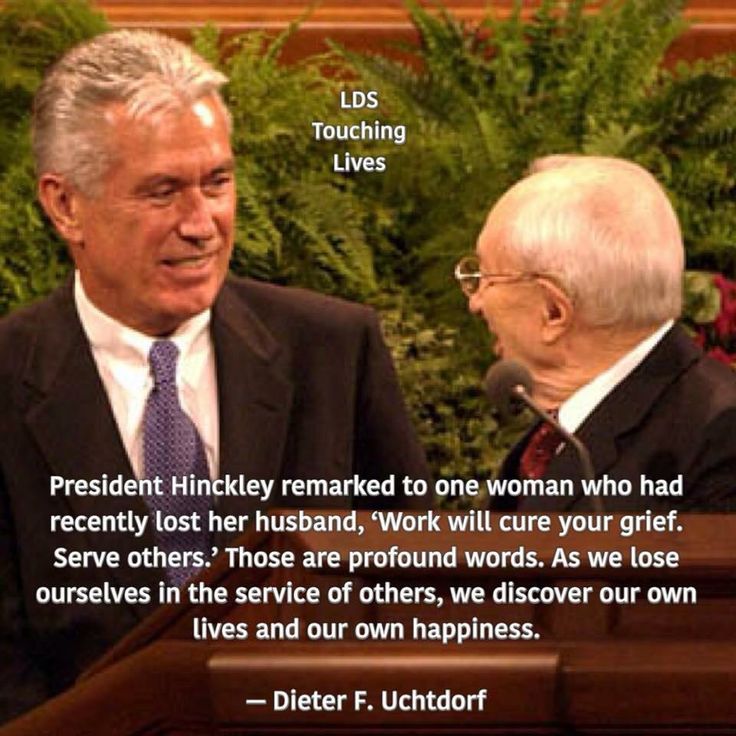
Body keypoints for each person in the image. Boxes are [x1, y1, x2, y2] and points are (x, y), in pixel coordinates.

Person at [0, 29, 429, 723]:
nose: (202, 224)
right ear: (64, 205)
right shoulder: (9, 377)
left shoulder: (333, 349)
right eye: (162, 191)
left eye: (217, 182)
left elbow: (417, 596)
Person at [455, 155, 736, 512]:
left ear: (554, 312)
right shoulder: (557, 436)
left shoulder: (720, 439)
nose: (476, 302)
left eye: (487, 278)